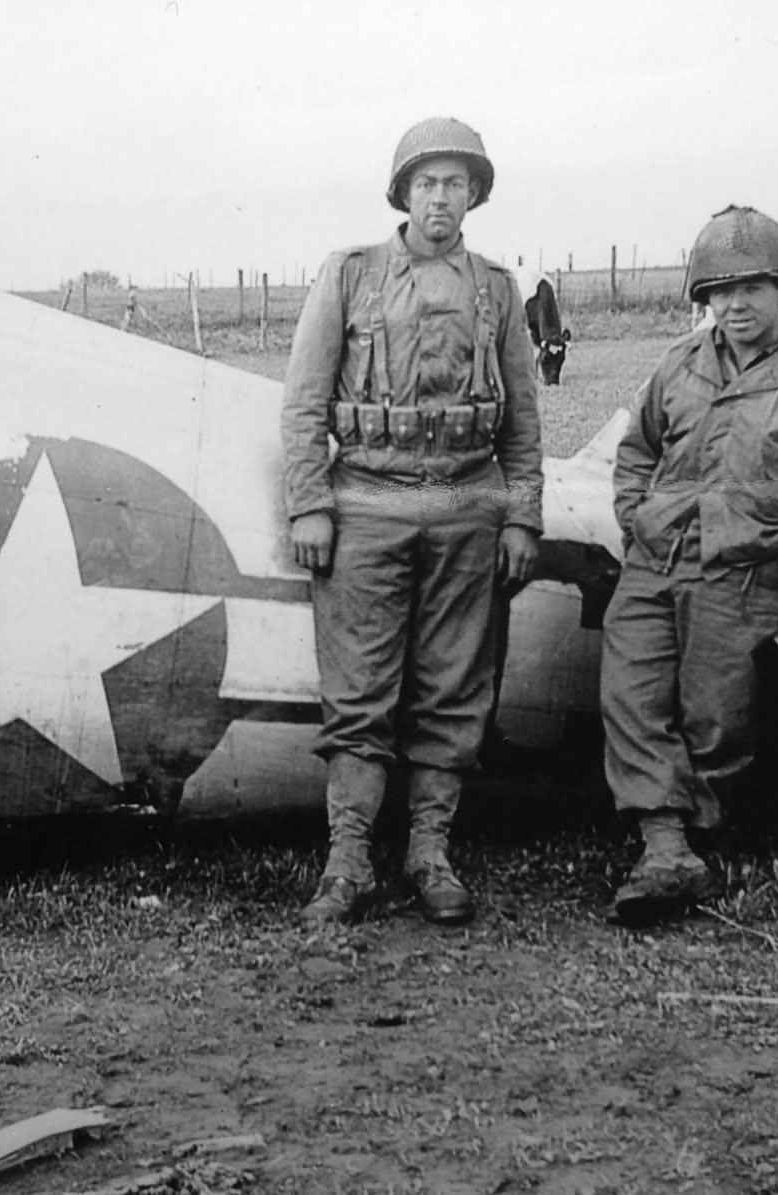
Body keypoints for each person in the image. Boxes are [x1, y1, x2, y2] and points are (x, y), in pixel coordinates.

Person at [281, 117, 544, 926]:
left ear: (475, 196)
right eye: (426, 182)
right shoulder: (350, 275)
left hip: (468, 509)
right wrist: (311, 504)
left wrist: (520, 519)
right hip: (366, 505)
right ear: (403, 193)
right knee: (358, 692)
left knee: (452, 691)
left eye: (456, 183)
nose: (441, 198)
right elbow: (303, 402)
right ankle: (350, 859)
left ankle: (430, 852)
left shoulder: (497, 289)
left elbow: (524, 421)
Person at [601, 204, 778, 925]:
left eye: (753, 287)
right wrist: (637, 514)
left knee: (715, 711)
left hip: (742, 571)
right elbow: (637, 448)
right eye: (720, 291)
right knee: (630, 692)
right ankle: (664, 841)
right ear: (703, 298)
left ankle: (702, 831)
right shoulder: (679, 364)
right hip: (657, 559)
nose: (735, 304)